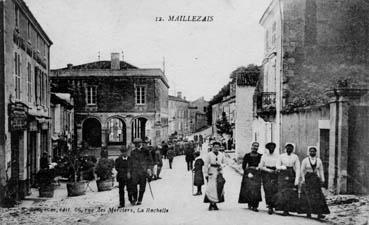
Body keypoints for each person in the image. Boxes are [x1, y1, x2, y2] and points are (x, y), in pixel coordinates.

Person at [299, 146, 330, 219]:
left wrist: (323, 179)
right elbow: (302, 170)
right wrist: (303, 179)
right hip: (308, 178)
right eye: (311, 151)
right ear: (309, 152)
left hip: (315, 179)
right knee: (308, 196)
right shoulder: (305, 160)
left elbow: (321, 170)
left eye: (313, 151)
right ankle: (308, 212)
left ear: (316, 152)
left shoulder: (318, 160)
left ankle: (319, 213)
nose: (312, 152)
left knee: (318, 196)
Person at [272, 143, 300, 216]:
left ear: (293, 149)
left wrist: (297, 179)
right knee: (282, 191)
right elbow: (277, 165)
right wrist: (282, 167)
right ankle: (282, 208)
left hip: (291, 174)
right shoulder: (281, 156)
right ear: (285, 148)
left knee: (290, 191)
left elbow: (297, 168)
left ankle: (288, 209)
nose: (289, 149)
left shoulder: (295, 157)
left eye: (291, 148)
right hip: (283, 174)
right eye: (288, 148)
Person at [238, 142, 262, 212]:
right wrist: (247, 173)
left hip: (257, 173)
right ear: (251, 146)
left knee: (256, 189)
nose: (255, 147)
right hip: (249, 173)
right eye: (254, 146)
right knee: (249, 188)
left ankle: (255, 205)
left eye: (257, 146)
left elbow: (261, 164)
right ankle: (249, 203)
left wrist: (258, 170)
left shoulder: (260, 156)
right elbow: (244, 166)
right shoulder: (247, 155)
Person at [130, 138, 153, 205]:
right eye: (135, 144)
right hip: (135, 171)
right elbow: (131, 161)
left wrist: (149, 169)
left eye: (138, 143)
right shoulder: (133, 152)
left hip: (143, 171)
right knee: (133, 185)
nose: (136, 145)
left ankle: (140, 199)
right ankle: (135, 198)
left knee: (142, 186)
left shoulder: (146, 151)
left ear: (141, 143)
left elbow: (150, 160)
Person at [204, 141, 226, 211]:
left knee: (218, 188)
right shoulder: (209, 154)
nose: (216, 148)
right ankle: (211, 204)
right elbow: (206, 165)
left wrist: (221, 166)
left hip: (219, 172)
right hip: (212, 171)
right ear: (212, 147)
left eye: (218, 147)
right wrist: (206, 174)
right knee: (211, 188)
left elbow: (225, 163)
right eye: (215, 147)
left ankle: (215, 204)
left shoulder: (221, 154)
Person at [258, 142, 279, 214]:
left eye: (273, 147)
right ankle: (269, 206)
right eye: (270, 147)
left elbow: (279, 164)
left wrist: (277, 169)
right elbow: (261, 166)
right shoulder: (264, 156)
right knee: (267, 189)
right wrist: (268, 170)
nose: (271, 148)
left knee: (274, 189)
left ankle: (274, 205)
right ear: (268, 148)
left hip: (275, 173)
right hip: (266, 173)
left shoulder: (277, 156)